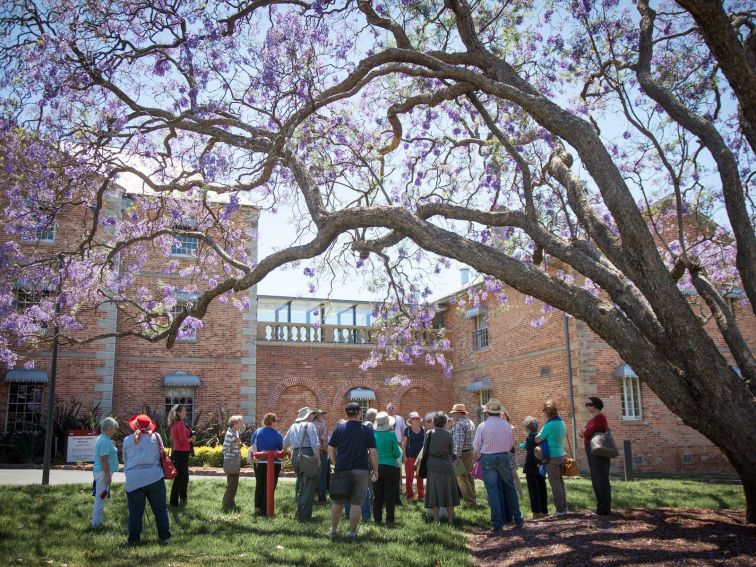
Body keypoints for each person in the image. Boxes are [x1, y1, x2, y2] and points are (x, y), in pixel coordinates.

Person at [328, 402, 378, 541]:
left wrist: (335, 463)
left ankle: (333, 530)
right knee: (357, 503)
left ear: (347, 413)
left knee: (337, 502)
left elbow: (330, 449)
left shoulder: (339, 428)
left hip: (342, 469)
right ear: (359, 412)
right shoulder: (366, 430)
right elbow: (373, 452)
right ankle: (352, 533)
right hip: (361, 469)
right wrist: (376, 469)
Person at [473, 399, 524, 534]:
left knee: (492, 490)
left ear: (487, 412)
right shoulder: (507, 425)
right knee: (510, 487)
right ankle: (518, 517)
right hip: (504, 456)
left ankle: (497, 524)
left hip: (487, 458)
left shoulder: (483, 426)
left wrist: (477, 458)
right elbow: (510, 445)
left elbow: (476, 447)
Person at [122, 414, 171, 545]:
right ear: (150, 426)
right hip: (154, 477)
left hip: (133, 480)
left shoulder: (127, 440)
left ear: (135, 426)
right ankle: (164, 537)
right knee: (160, 509)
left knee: (135, 512)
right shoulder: (156, 437)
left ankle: (134, 539)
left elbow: (125, 461)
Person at [283, 406, 320, 521]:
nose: (313, 417)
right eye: (312, 415)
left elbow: (284, 443)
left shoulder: (293, 426)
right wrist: (317, 460)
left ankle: (299, 512)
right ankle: (305, 517)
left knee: (302, 485)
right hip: (308, 455)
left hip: (295, 456)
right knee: (309, 487)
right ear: (308, 416)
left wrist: (286, 452)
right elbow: (315, 444)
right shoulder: (310, 425)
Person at [424, 411, 460, 523]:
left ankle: (436, 521)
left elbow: (425, 450)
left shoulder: (429, 433)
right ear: (444, 422)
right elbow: (451, 452)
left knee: (434, 494)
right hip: (447, 466)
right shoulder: (449, 434)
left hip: (433, 466)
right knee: (449, 493)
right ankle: (450, 520)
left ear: (434, 421)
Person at [579, 396, 612, 516]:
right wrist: (583, 432)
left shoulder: (600, 417)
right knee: (596, 478)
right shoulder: (593, 419)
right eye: (586, 405)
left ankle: (604, 509)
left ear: (596, 405)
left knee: (601, 479)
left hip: (598, 452)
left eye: (589, 404)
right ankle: (601, 507)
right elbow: (583, 433)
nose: (588, 406)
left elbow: (587, 432)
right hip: (592, 451)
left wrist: (584, 431)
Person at [536, 399, 567, 517]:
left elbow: (538, 439)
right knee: (560, 483)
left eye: (544, 411)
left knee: (555, 484)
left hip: (552, 457)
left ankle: (560, 509)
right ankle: (564, 507)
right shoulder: (561, 423)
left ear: (547, 412)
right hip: (561, 455)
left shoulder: (549, 425)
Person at [249, 412, 285, 515]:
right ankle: (266, 509)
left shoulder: (257, 432)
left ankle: (258, 508)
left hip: (259, 462)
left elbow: (252, 444)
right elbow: (282, 447)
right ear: (273, 422)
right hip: (274, 463)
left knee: (259, 484)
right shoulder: (277, 434)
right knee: (270, 486)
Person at [372, 411, 402, 527]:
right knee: (390, 494)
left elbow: (371, 452)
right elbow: (396, 454)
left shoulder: (373, 435)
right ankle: (390, 521)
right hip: (390, 467)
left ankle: (377, 520)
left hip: (376, 467)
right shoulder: (391, 435)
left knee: (377, 495)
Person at [91, 416, 119, 529]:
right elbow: (104, 459)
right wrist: (107, 476)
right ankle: (96, 524)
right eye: (114, 429)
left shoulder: (103, 439)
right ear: (109, 429)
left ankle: (97, 521)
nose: (115, 431)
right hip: (103, 472)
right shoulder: (105, 441)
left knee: (102, 497)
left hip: (102, 472)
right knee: (101, 498)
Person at [450, 403, 477, 507]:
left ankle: (470, 503)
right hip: (470, 452)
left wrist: (457, 457)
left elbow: (458, 442)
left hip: (462, 454)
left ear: (459, 413)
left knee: (461, 478)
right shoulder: (470, 422)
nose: (453, 416)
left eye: (454, 413)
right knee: (469, 476)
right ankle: (473, 499)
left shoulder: (459, 424)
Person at [167, 404, 194, 507]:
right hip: (182, 452)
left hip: (179, 452)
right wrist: (191, 439)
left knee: (184, 477)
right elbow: (183, 441)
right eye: (183, 411)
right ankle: (174, 502)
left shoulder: (175, 423)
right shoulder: (180, 424)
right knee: (180, 478)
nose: (185, 412)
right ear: (178, 413)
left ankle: (183, 498)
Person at [522, 416, 548, 517]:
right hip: (541, 465)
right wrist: (540, 462)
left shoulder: (529, 438)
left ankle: (537, 512)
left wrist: (536, 462)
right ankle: (544, 510)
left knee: (533, 490)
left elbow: (531, 453)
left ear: (527, 429)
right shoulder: (540, 436)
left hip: (532, 466)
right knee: (542, 487)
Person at [222, 415, 245, 510]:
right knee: (233, 484)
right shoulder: (230, 435)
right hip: (231, 462)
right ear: (235, 424)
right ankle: (228, 504)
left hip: (234, 461)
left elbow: (242, 429)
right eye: (241, 422)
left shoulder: (235, 432)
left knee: (232, 484)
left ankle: (227, 502)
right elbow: (224, 450)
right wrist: (235, 444)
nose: (242, 424)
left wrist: (243, 427)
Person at [401, 411, 425, 501]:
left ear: (419, 420)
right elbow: (404, 444)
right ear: (410, 421)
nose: (415, 420)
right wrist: (404, 456)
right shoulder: (407, 430)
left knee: (420, 477)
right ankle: (409, 496)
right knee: (409, 477)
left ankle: (421, 496)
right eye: (413, 419)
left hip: (420, 458)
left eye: (417, 418)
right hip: (410, 457)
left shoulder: (423, 430)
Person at [314, 409, 330, 504]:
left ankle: (311, 496)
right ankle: (322, 498)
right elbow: (324, 443)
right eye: (321, 415)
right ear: (318, 416)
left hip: (311, 453)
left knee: (312, 476)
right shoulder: (322, 426)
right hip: (321, 452)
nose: (323, 417)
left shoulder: (309, 425)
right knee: (322, 477)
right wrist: (327, 452)